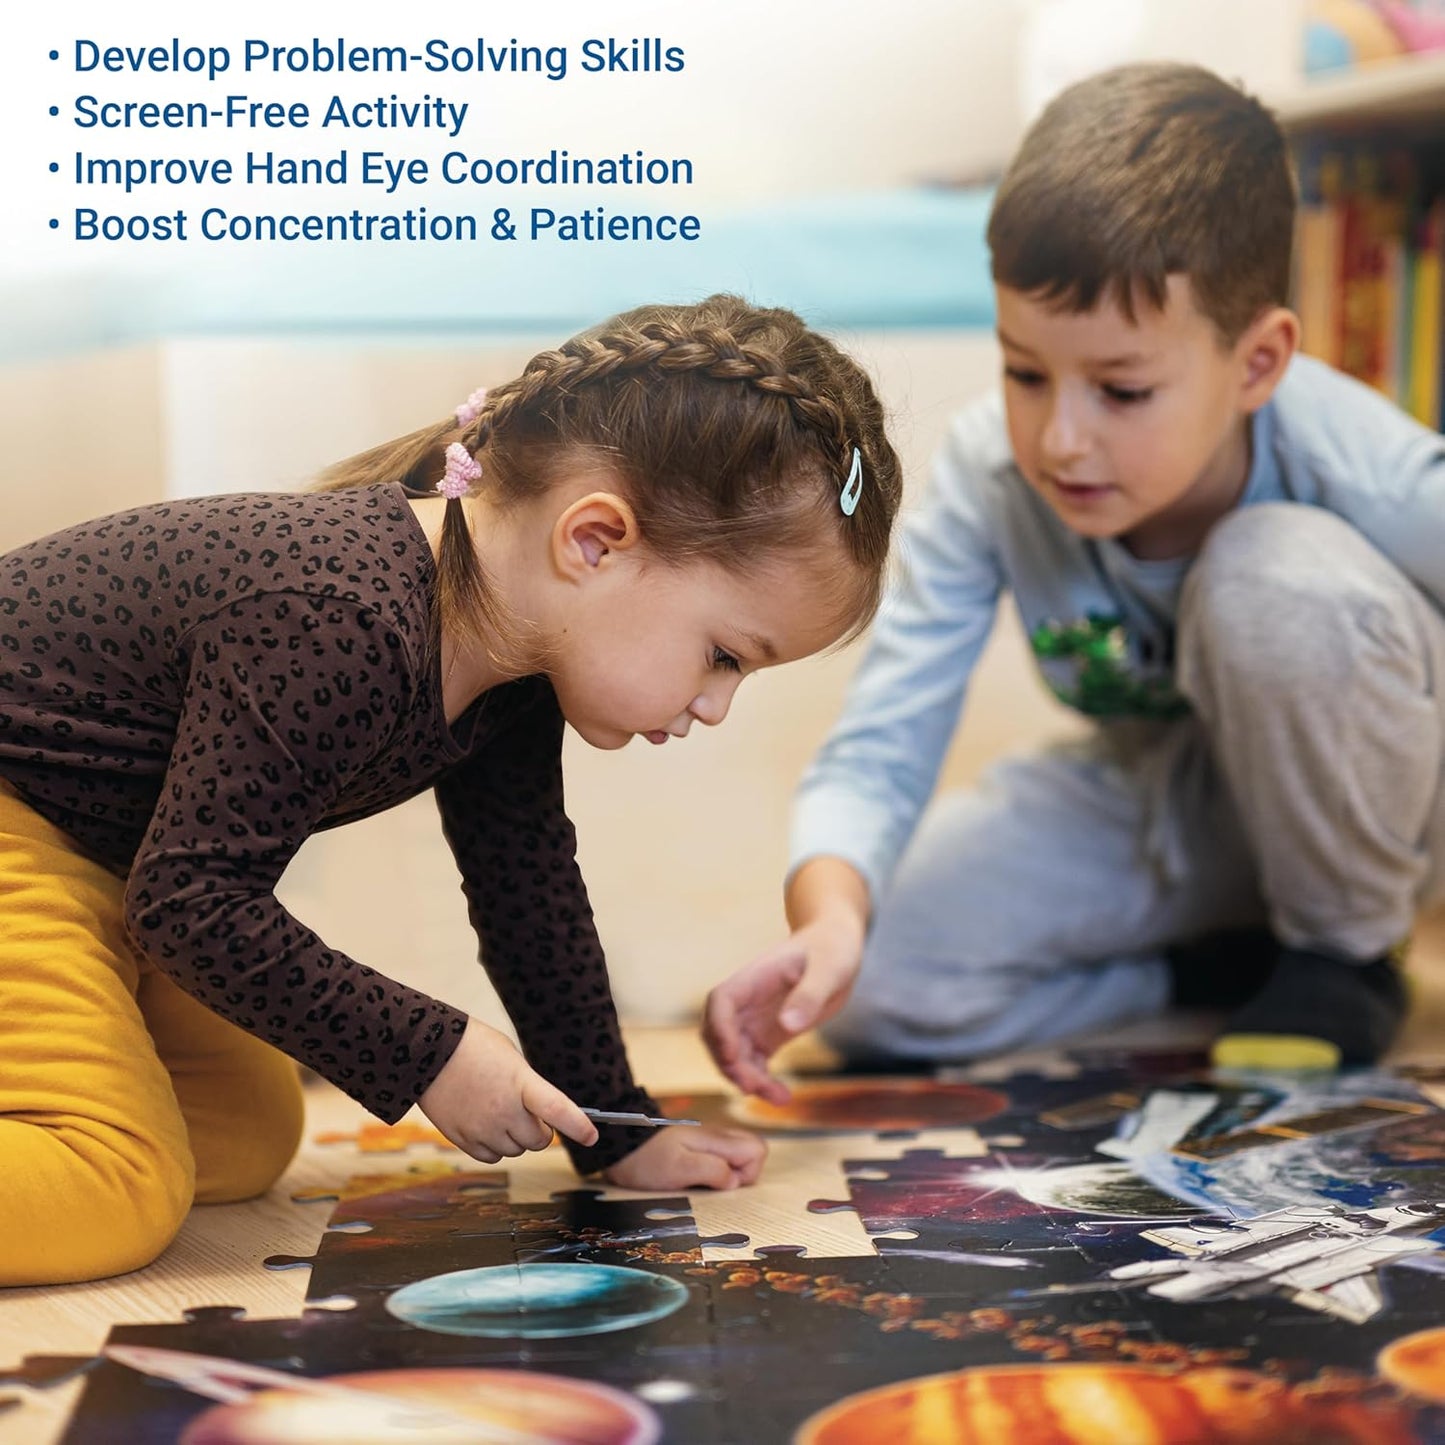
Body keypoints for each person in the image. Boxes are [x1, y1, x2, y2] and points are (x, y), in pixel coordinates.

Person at [0, 294, 903, 1285]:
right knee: (118, 1183)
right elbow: (192, 902)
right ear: (594, 540)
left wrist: (613, 1128)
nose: (714, 703)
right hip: (31, 829)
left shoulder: (508, 669)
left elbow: (530, 898)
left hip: (106, 854)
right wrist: (428, 1051)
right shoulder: (337, 617)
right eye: (724, 655)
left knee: (242, 1134)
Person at [704, 62, 1445, 1104]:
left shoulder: (1353, 456)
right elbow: (885, 735)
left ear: (1256, 363)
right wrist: (830, 916)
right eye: (1022, 371)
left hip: (1391, 797)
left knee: (1272, 578)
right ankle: (1213, 966)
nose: (1060, 437)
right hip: (1175, 800)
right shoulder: (987, 477)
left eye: (1123, 388)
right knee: (875, 986)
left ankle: (1340, 957)